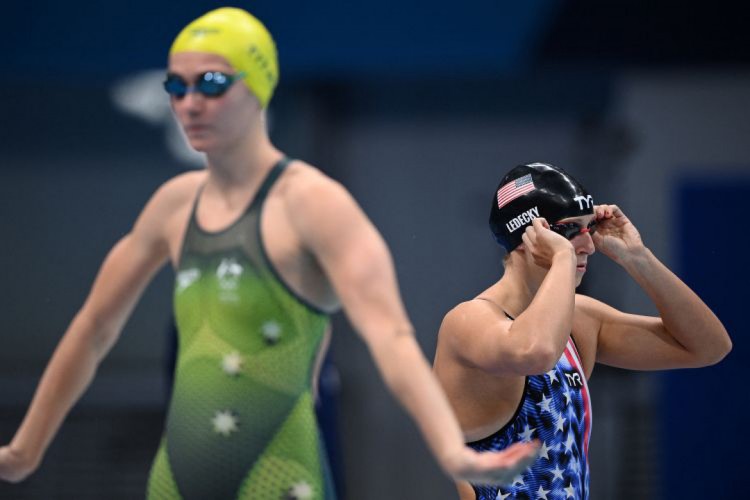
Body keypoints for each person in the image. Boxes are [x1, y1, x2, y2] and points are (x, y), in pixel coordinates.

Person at [0, 7, 539, 499]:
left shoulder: (313, 205)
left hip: (281, 477)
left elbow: (391, 339)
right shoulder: (171, 206)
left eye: (211, 84)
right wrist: (24, 451)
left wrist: (450, 450)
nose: (189, 103)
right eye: (176, 86)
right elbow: (94, 326)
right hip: (174, 482)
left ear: (258, 85)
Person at [432, 162, 732, 500]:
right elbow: (538, 351)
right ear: (528, 235)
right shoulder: (468, 322)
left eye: (589, 228)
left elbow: (708, 347)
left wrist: (638, 258)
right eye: (571, 229)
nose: (588, 246)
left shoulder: (581, 321)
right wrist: (561, 257)